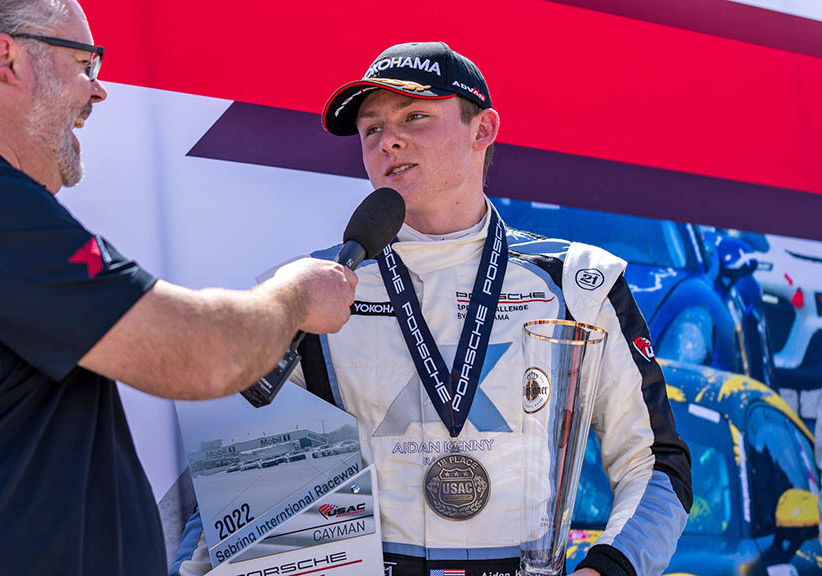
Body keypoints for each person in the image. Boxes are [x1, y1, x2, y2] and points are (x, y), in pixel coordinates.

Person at [0, 1, 358, 574]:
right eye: (85, 63)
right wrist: (296, 295)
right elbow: (204, 355)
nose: (98, 90)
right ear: (7, 58)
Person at [173, 42, 692, 576]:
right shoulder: (309, 289)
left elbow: (655, 464)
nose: (388, 140)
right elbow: (234, 487)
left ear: (482, 130)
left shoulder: (579, 282)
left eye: (414, 116)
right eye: (371, 129)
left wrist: (608, 569)